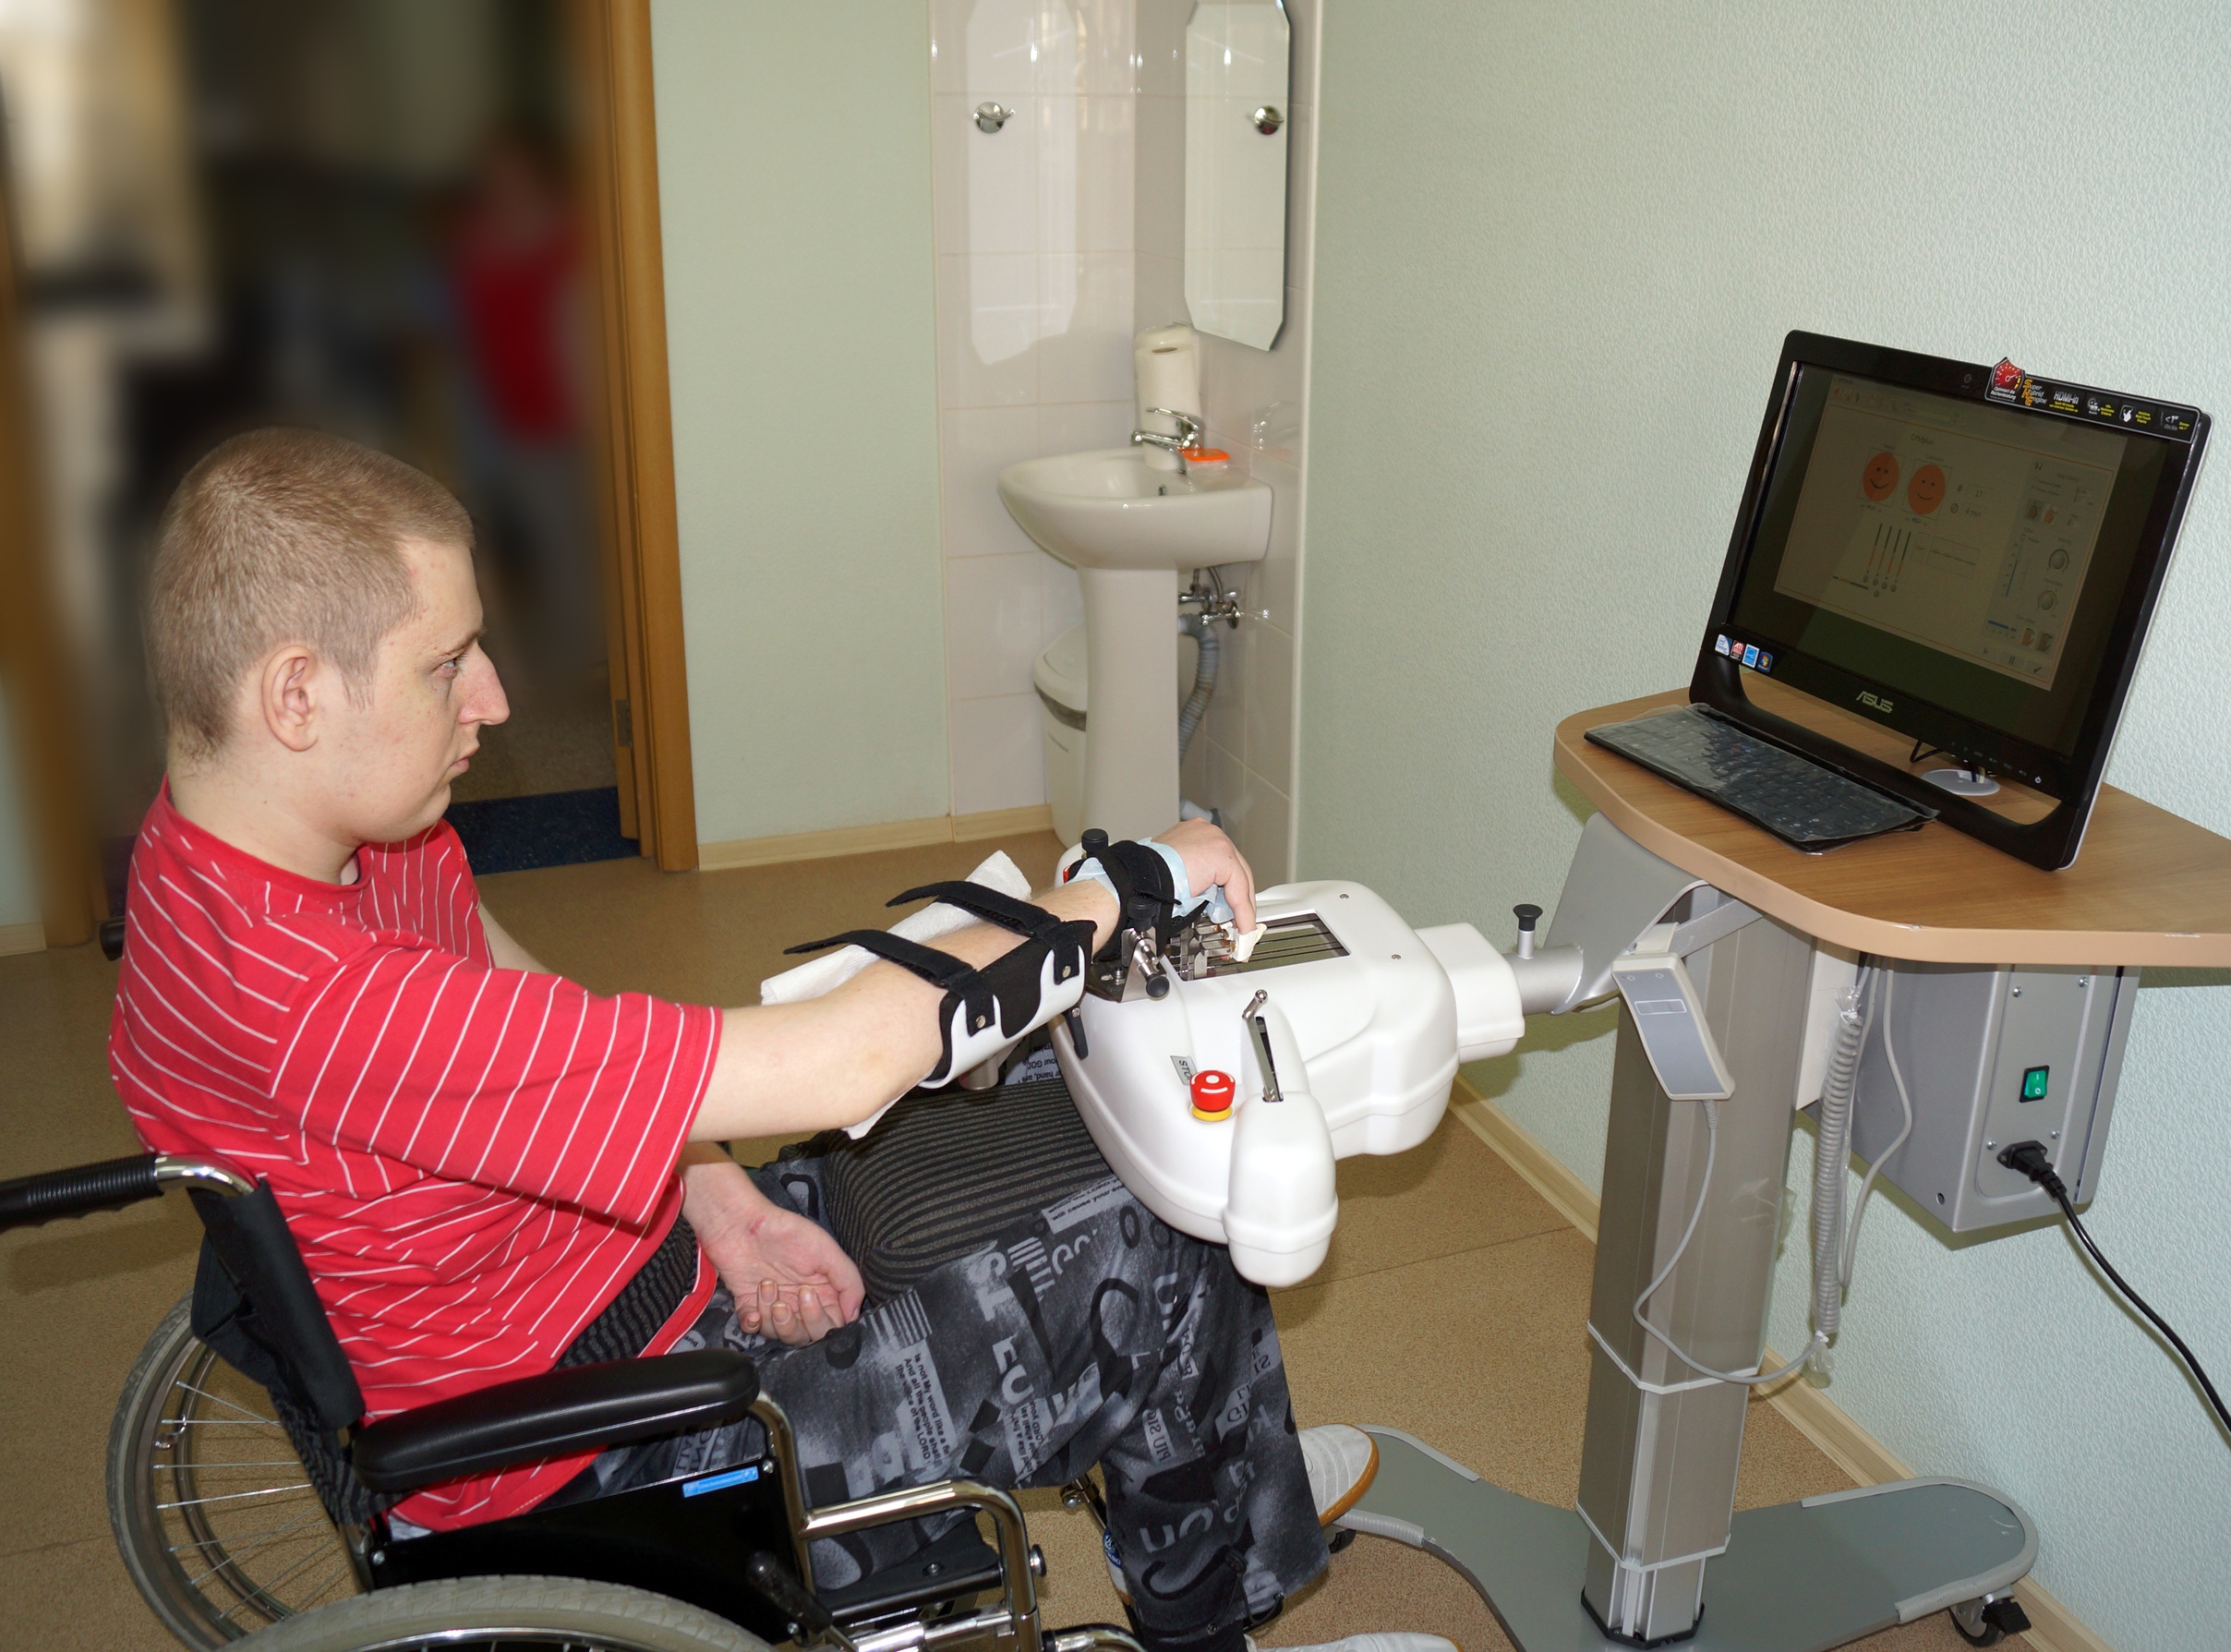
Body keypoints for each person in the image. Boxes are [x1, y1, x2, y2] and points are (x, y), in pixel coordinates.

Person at [110, 428, 1450, 1652]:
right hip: (627, 1449)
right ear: (297, 696)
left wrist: (721, 1199)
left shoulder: (236, 854)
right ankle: (1212, 1551)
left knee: (1063, 1085)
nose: (497, 699)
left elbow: (513, 989)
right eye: (447, 663)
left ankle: (1219, 1462)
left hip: (615, 1281)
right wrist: (1118, 887)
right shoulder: (324, 1003)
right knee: (1160, 1231)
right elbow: (841, 1061)